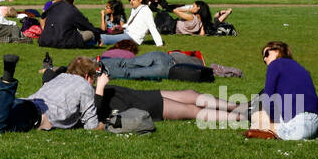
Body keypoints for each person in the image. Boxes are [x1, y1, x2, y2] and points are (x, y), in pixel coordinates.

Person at [67, 57, 243, 125]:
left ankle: (237, 107)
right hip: (143, 105)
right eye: (92, 75)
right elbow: (92, 114)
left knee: (191, 94)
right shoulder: (86, 94)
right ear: (85, 77)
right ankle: (239, 117)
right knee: (193, 110)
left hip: (144, 95)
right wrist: (99, 88)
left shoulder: (81, 87)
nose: (95, 77)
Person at [249, 41, 318, 140]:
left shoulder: (275, 65)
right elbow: (317, 103)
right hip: (313, 123)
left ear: (278, 50)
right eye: (263, 58)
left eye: (266, 54)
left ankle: (273, 132)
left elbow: (267, 98)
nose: (265, 59)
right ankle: (317, 133)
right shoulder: (301, 68)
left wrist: (273, 120)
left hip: (295, 127)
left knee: (257, 117)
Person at [37, 0, 103, 49]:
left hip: (45, 40)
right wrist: (97, 34)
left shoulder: (52, 6)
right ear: (73, 0)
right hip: (63, 42)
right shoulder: (73, 10)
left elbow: (42, 17)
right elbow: (85, 25)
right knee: (90, 33)